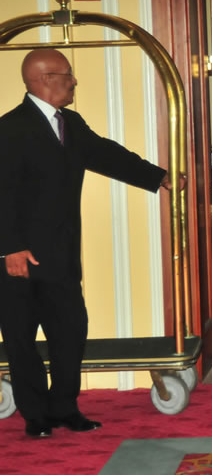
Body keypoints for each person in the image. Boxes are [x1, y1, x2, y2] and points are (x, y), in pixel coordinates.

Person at [0, 49, 171, 438]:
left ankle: (64, 408)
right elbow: (2, 193)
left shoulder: (70, 124)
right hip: (18, 259)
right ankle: (35, 416)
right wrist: (9, 248)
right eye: (67, 75)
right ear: (44, 80)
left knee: (70, 332)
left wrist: (157, 176)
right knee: (21, 340)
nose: (74, 81)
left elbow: (106, 155)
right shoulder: (9, 129)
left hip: (60, 256)